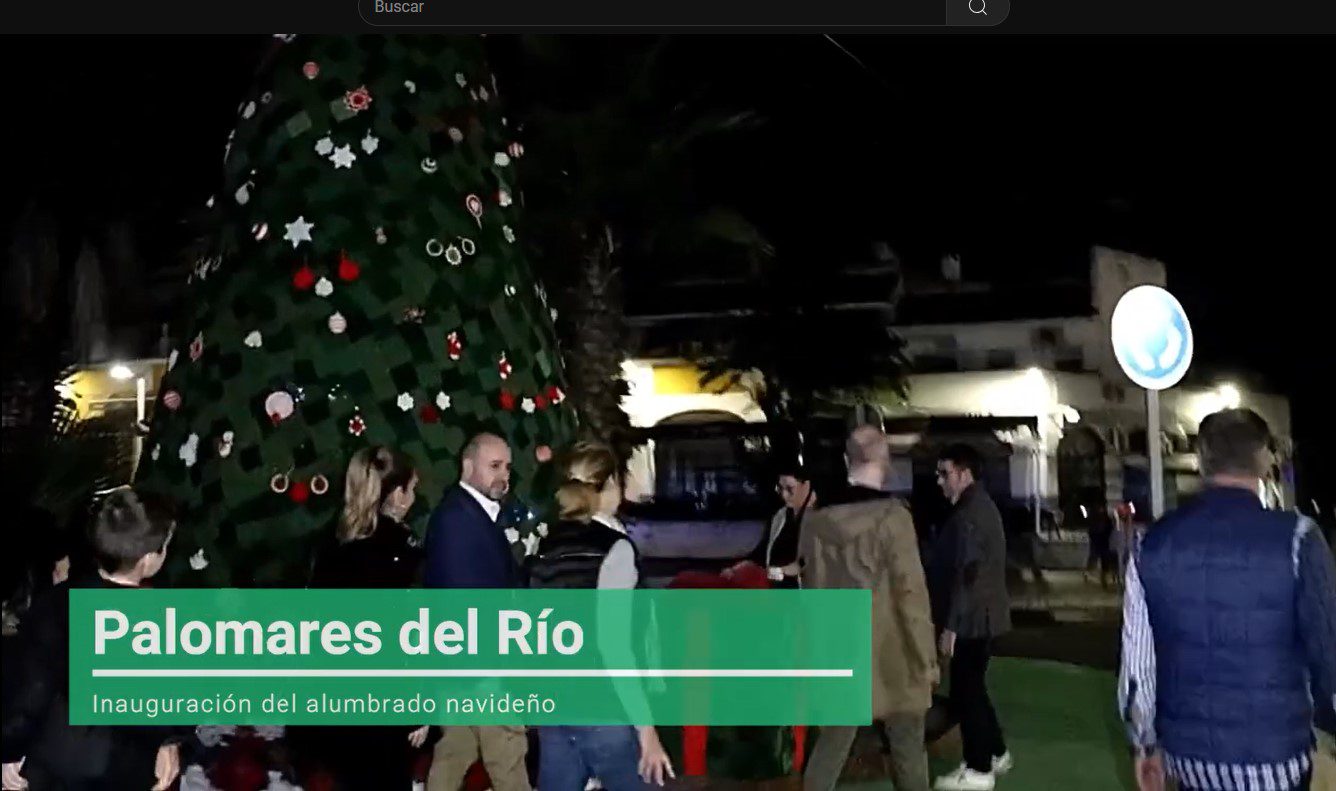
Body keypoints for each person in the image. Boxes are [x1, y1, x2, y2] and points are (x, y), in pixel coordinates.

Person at [1119, 408, 1336, 791]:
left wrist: (1145, 745)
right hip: (1277, 758)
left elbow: (1138, 665)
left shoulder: (1151, 544)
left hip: (1188, 760)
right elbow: (1329, 649)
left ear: (1202, 463)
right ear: (1265, 460)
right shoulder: (1299, 538)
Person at [1, 487, 185, 791]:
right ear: (149, 559)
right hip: (126, 764)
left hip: (59, 755)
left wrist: (9, 749)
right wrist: (169, 739)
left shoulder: (56, 601)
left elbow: (32, 688)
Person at [527, 441, 675, 790]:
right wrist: (647, 730)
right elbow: (614, 646)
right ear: (608, 487)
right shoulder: (613, 548)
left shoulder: (545, 546)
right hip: (605, 708)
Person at [800, 424, 937, 791]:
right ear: (885, 461)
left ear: (847, 459)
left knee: (829, 750)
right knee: (907, 748)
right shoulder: (894, 519)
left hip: (838, 653)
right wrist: (926, 660)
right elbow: (911, 597)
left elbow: (809, 592)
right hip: (893, 654)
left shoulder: (814, 521)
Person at [300, 446, 435, 790]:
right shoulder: (397, 552)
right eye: (413, 487)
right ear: (397, 493)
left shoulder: (334, 543)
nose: (415, 496)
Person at [425, 433, 532, 791]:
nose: (504, 475)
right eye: (494, 466)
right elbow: (465, 603)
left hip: (460, 668)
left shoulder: (466, 513)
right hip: (481, 670)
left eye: (507, 467)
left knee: (455, 752)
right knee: (509, 761)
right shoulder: (459, 518)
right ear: (467, 466)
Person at [932, 444, 1013, 791]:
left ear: (964, 475)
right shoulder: (978, 507)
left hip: (973, 618)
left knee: (967, 691)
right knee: (973, 688)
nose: (939, 481)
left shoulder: (970, 514)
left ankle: (979, 770)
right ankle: (994, 753)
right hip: (982, 615)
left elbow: (968, 575)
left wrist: (951, 625)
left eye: (944, 473)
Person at [749, 464, 815, 588]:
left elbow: (809, 561)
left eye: (790, 489)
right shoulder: (781, 516)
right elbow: (764, 549)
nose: (784, 495)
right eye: (780, 488)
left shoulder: (818, 519)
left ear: (806, 486)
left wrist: (781, 571)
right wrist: (745, 565)